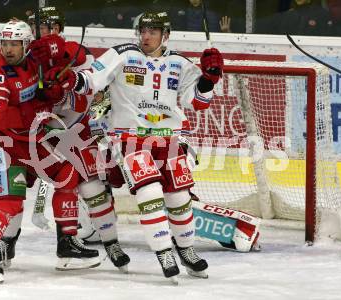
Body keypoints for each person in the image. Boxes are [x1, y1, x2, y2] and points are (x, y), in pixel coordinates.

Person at [47, 11, 223, 283]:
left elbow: (197, 101)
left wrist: (209, 79)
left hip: (170, 139)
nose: (146, 36)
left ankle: (186, 250)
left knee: (179, 198)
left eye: (153, 31)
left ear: (166, 35)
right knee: (146, 191)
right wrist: (72, 79)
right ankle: (161, 251)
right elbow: (91, 80)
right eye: (143, 30)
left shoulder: (179, 63)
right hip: (128, 139)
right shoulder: (122, 54)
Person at [0, 20, 100, 284]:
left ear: (25, 44)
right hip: (5, 145)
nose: (8, 49)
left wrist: (52, 85)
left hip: (32, 142)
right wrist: (35, 109)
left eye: (14, 44)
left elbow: (77, 54)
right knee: (10, 202)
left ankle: (67, 245)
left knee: (67, 173)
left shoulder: (35, 59)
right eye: (5, 44)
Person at [29, 6, 131, 272]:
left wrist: (58, 53)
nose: (40, 32)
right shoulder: (27, 57)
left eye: (46, 26)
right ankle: (9, 243)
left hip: (79, 132)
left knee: (94, 191)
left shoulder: (74, 50)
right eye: (37, 26)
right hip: (46, 136)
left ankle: (107, 244)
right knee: (55, 188)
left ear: (58, 29)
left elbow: (88, 67)